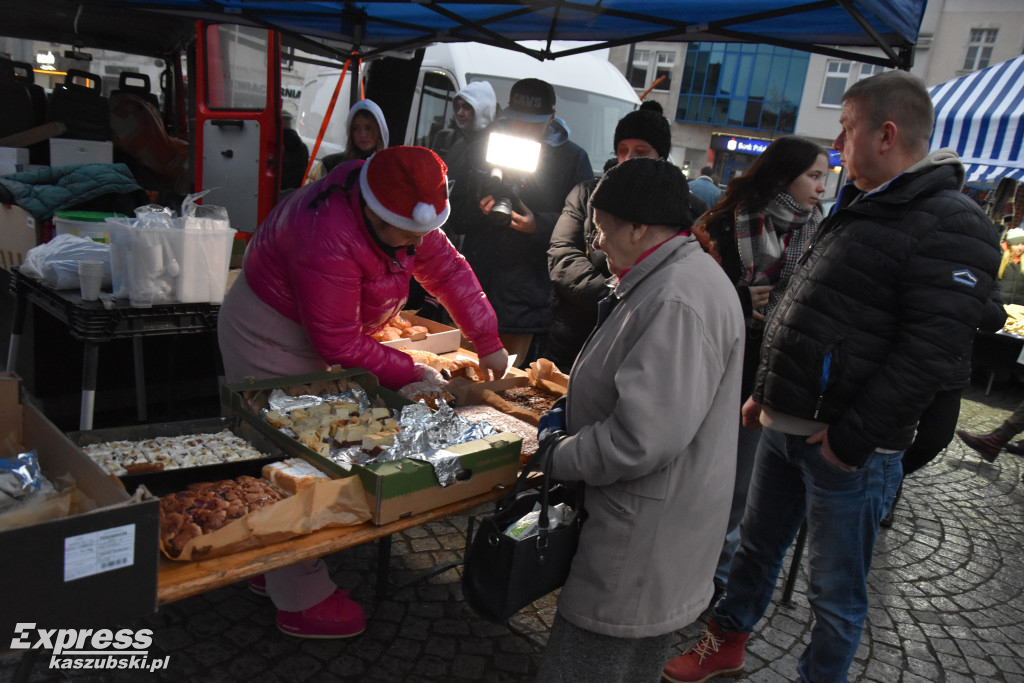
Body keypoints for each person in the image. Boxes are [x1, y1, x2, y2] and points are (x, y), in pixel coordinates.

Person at [663, 70, 1000, 683]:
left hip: (849, 450)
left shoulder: (953, 222)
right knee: (756, 553)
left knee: (834, 592)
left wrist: (851, 439)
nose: (838, 146)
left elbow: (929, 353)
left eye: (846, 129)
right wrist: (767, 392)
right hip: (788, 425)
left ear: (886, 133)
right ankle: (727, 645)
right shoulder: (863, 202)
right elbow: (806, 306)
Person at [218, 146, 509, 638]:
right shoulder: (326, 231)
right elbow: (336, 339)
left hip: (324, 338)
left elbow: (448, 271)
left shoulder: (399, 212)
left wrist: (489, 339)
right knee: (296, 459)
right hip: (268, 335)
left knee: (315, 451)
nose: (418, 243)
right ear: (374, 212)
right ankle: (299, 597)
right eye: (408, 235)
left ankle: (275, 571)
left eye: (424, 233)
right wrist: (410, 369)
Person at [534, 158, 744, 682]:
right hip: (655, 529)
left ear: (639, 228)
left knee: (589, 666)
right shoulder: (670, 277)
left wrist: (557, 452)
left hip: (641, 539)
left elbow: (638, 439)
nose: (597, 243)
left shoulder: (677, 296)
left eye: (603, 228)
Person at [694, 135, 828, 602]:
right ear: (782, 174)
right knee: (698, 469)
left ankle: (717, 580)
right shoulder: (724, 222)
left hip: (768, 376)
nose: (821, 188)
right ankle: (686, 565)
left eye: (825, 178)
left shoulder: (820, 232)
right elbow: (692, 283)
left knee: (740, 486)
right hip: (713, 363)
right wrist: (734, 292)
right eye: (813, 176)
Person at [447, 77, 593, 365]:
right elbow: (455, 215)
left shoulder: (572, 158)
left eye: (533, 123)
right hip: (473, 293)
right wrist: (481, 210)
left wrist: (537, 224)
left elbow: (585, 227)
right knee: (458, 376)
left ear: (551, 117)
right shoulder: (483, 147)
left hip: (526, 300)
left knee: (502, 390)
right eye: (517, 121)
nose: (524, 129)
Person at [546, 107, 671, 371]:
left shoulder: (676, 208)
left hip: (639, 339)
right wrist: (612, 297)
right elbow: (563, 253)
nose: (628, 159)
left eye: (641, 151)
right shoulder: (586, 194)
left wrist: (633, 304)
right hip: (577, 333)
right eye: (623, 150)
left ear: (661, 156)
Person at [304, 99, 389, 183]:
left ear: (379, 130)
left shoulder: (389, 168)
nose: (362, 134)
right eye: (356, 128)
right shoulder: (329, 165)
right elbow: (310, 193)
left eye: (368, 128)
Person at [430, 80, 497, 167]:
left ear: (483, 110)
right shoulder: (457, 143)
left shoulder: (497, 149)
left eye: (467, 107)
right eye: (459, 106)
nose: (460, 113)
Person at [996, 227, 1024, 305]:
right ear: (1010, 246)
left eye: (1022, 244)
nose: (1020, 248)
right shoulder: (1000, 260)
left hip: (1019, 308)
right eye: (1016, 244)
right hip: (999, 304)